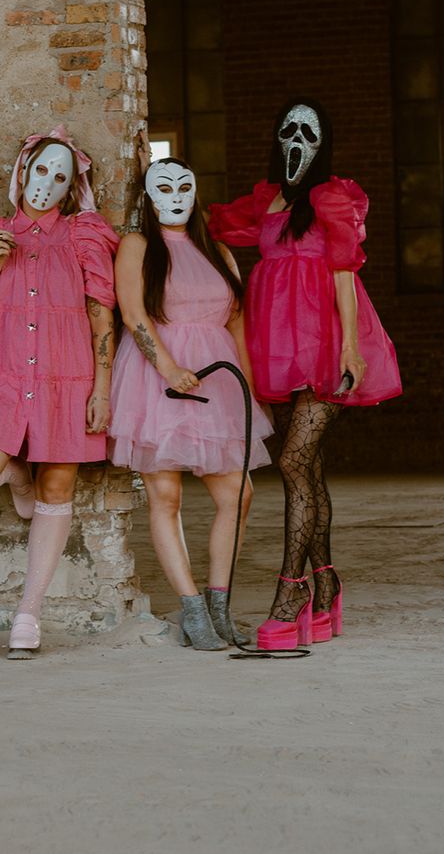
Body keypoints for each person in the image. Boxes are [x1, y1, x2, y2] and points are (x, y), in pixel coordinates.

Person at [207, 99, 402, 650]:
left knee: (292, 460)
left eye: (307, 131)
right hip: (280, 346)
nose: (296, 137)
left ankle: (290, 593)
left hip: (327, 346)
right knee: (308, 468)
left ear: (323, 143)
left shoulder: (331, 196)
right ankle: (327, 591)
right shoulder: (267, 198)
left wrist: (350, 349)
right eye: (288, 128)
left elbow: (343, 272)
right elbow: (216, 226)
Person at [0, 126, 119, 659]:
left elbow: (100, 313)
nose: (47, 182)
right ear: (23, 172)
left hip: (68, 378)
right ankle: (16, 476)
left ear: (71, 188)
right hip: (2, 376)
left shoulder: (84, 236)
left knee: (58, 487)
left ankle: (27, 615)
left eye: (60, 176)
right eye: (40, 169)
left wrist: (103, 387)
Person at [108, 149, 273, 650]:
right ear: (148, 196)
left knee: (238, 495)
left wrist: (248, 388)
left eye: (184, 188)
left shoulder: (219, 252)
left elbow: (237, 321)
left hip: (218, 383)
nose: (175, 198)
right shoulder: (137, 245)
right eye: (164, 188)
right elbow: (134, 313)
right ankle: (193, 611)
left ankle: (219, 601)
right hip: (159, 380)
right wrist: (169, 368)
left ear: (195, 192)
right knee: (167, 495)